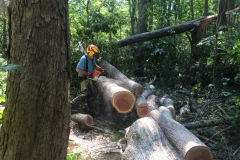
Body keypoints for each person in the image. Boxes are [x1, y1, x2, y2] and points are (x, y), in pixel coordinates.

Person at [73, 44, 105, 114]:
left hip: (89, 78)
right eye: (94, 54)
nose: (95, 56)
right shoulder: (84, 59)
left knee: (91, 95)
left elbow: (95, 65)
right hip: (83, 79)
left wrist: (101, 69)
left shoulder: (92, 59)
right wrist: (88, 73)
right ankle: (71, 106)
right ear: (91, 53)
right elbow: (78, 69)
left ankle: (92, 112)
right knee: (84, 94)